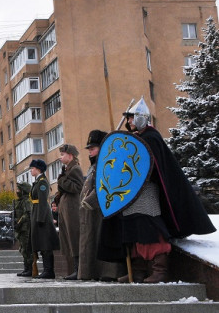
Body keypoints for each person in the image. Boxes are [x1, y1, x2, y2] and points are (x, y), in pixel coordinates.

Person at [109, 97, 216, 283]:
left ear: (142, 117)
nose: (129, 122)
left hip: (147, 192)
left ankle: (160, 270)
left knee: (151, 228)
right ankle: (139, 269)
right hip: (133, 193)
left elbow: (149, 167)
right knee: (135, 230)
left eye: (132, 118)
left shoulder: (151, 137)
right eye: (128, 118)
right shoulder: (138, 139)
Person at [78, 130, 125, 281]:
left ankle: (108, 273)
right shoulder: (95, 165)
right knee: (91, 242)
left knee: (103, 240)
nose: (90, 151)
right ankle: (91, 272)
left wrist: (89, 201)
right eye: (89, 149)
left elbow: (105, 185)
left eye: (93, 148)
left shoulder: (108, 162)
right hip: (91, 212)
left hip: (103, 210)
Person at [29, 159, 60, 279]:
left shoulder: (42, 183)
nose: (31, 170)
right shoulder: (38, 182)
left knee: (45, 243)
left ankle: (49, 270)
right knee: (41, 243)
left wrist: (40, 218)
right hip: (37, 212)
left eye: (32, 168)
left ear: (38, 169)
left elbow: (42, 201)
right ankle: (46, 270)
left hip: (42, 214)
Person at [57, 144, 84, 280]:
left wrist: (62, 181)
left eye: (63, 154)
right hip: (67, 208)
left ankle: (78, 269)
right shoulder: (68, 169)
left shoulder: (75, 169)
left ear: (70, 155)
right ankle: (75, 269)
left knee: (74, 238)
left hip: (73, 208)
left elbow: (78, 187)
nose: (60, 157)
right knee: (69, 238)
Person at [14, 182, 33, 277]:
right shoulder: (20, 201)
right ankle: (26, 268)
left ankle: (30, 269)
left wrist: (19, 222)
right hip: (21, 229)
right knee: (23, 249)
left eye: (18, 189)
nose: (17, 191)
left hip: (25, 229)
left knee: (27, 249)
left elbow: (27, 213)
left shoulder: (26, 201)